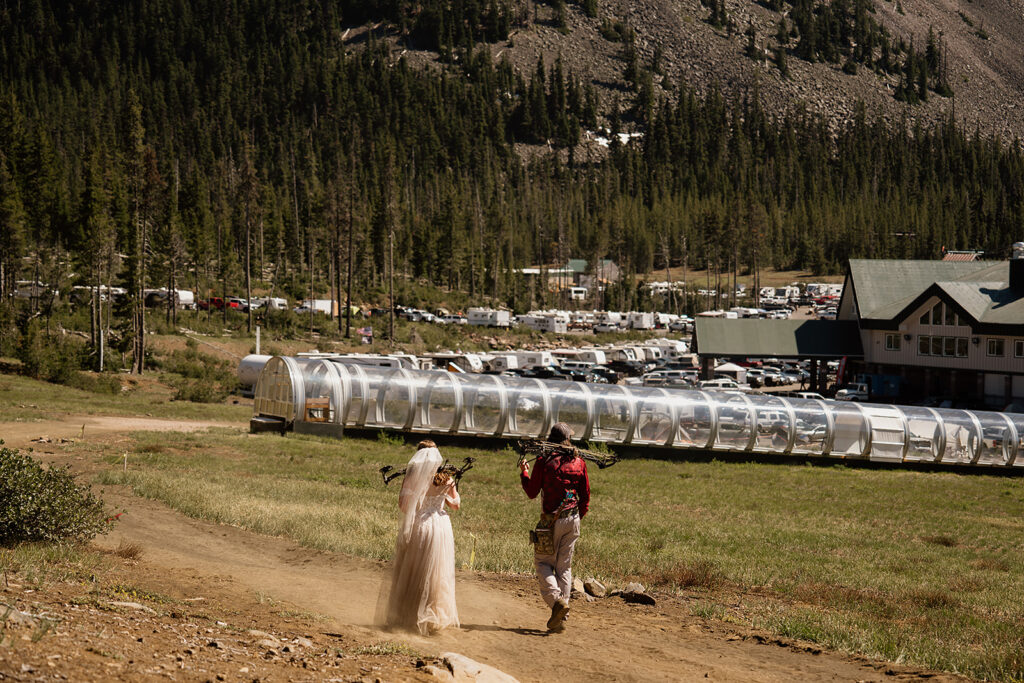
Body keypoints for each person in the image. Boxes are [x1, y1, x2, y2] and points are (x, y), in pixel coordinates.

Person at [380, 440, 460, 635]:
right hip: (441, 527)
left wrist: (420, 502)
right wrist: (447, 493)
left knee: (414, 570)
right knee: (437, 573)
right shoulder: (446, 478)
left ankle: (407, 615)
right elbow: (456, 504)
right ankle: (433, 616)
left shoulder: (413, 476)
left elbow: (403, 505)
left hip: (422, 526)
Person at [519, 422, 590, 633]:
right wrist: (577, 517)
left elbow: (532, 492)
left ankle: (557, 603)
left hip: (551, 522)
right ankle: (561, 616)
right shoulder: (579, 461)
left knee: (543, 563)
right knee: (564, 567)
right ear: (568, 438)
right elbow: (585, 495)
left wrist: (524, 473)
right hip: (574, 518)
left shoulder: (544, 461)